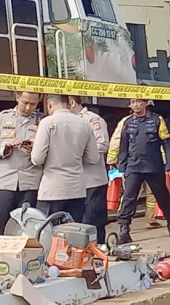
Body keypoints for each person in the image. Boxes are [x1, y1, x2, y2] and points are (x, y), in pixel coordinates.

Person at [117, 99, 170, 243]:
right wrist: (121, 169)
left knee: (162, 197)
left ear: (145, 103)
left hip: (153, 166)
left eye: (139, 102)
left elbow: (167, 144)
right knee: (129, 198)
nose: (135, 105)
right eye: (133, 102)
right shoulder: (127, 123)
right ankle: (124, 229)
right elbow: (123, 147)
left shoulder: (158, 120)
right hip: (133, 166)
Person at [31, 94, 100, 222]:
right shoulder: (85, 124)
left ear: (49, 105)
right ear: (68, 104)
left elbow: (37, 158)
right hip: (77, 189)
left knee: (48, 233)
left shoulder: (47, 123)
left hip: (52, 190)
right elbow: (94, 158)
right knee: (74, 233)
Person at [0, 92, 43, 234]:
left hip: (31, 183)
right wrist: (5, 145)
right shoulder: (1, 118)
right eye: (25, 102)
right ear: (17, 97)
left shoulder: (43, 122)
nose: (28, 107)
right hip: (4, 183)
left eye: (33, 104)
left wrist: (36, 148)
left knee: (29, 230)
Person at [68, 96, 110, 243]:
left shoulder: (92, 120)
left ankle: (98, 250)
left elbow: (102, 145)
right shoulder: (66, 121)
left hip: (92, 181)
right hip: (73, 182)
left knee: (94, 220)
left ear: (72, 102)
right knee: (77, 223)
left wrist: (77, 155)